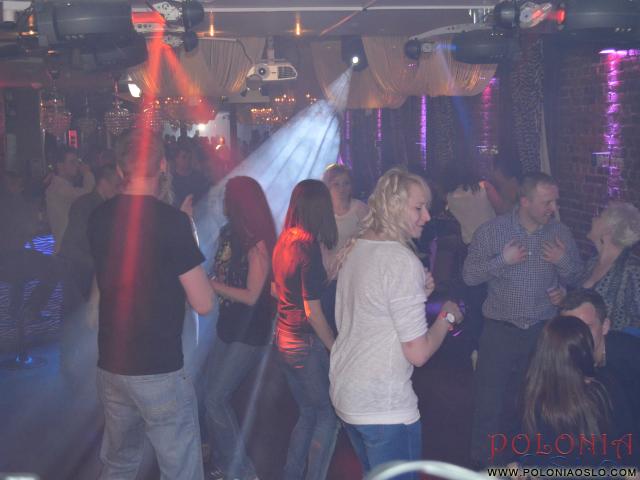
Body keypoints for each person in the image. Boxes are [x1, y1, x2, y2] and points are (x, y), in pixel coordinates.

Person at [87, 130, 214, 480]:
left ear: (119, 168)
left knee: (119, 463)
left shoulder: (98, 217)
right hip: (158, 369)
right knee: (181, 470)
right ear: (162, 166)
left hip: (112, 364)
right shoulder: (172, 222)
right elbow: (203, 303)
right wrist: (187, 233)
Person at [329, 168, 463, 478]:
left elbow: (373, 311)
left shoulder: (358, 245)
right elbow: (418, 353)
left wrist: (417, 294)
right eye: (419, 208)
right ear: (394, 206)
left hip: (348, 393)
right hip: (382, 406)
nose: (427, 217)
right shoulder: (401, 260)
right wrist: (447, 316)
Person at [463, 172, 583, 466]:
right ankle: (485, 467)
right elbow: (469, 276)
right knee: (489, 405)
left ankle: (526, 465)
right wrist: (501, 261)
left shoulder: (560, 233)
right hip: (500, 332)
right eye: (547, 202)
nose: (553, 208)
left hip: (542, 333)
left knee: (535, 404)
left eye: (555, 201)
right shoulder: (493, 231)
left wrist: (562, 268)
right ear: (525, 201)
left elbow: (577, 277)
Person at [205, 176, 277, 480]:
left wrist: (213, 285)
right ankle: (224, 463)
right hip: (228, 326)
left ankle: (244, 473)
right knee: (208, 395)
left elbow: (251, 296)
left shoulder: (256, 242)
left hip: (250, 333)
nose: (223, 201)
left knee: (215, 399)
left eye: (227, 196)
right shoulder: (228, 234)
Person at [272, 179, 339, 480]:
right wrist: (336, 348)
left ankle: (291, 474)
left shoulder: (285, 239)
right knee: (328, 416)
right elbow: (312, 313)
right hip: (304, 344)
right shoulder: (307, 248)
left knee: (309, 412)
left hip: (283, 338)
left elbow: (276, 290)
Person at [516, 315, 636, 468]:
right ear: (584, 352)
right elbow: (626, 443)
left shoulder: (531, 394)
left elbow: (523, 451)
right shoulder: (603, 389)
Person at [442, 161, 503, 363]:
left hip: (471, 251)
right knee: (496, 299)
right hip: (494, 249)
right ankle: (494, 350)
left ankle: (476, 350)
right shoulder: (485, 188)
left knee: (475, 303)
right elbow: (503, 211)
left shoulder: (451, 197)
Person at [560, 289, 640, 438]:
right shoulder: (557, 357)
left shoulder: (631, 355)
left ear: (605, 326)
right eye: (570, 328)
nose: (578, 335)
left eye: (586, 327)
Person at [59, 165, 122, 299]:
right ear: (103, 183)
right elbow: (72, 245)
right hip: (79, 272)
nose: (119, 190)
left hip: (89, 271)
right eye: (116, 185)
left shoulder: (105, 205)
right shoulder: (85, 205)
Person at [579, 202, 640, 333]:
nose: (593, 218)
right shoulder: (592, 262)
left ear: (609, 229)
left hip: (614, 343)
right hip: (584, 340)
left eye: (599, 216)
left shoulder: (632, 269)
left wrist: (618, 341)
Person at [45, 147, 95, 252]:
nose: (77, 165)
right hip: (66, 250)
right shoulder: (59, 188)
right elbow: (89, 196)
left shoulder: (62, 186)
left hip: (67, 248)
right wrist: (87, 173)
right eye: (72, 162)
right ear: (60, 165)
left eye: (77, 161)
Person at [321, 163, 369, 275]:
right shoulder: (322, 212)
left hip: (357, 272)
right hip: (330, 275)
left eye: (346, 183)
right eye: (336, 184)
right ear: (328, 187)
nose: (342, 189)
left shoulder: (360, 209)